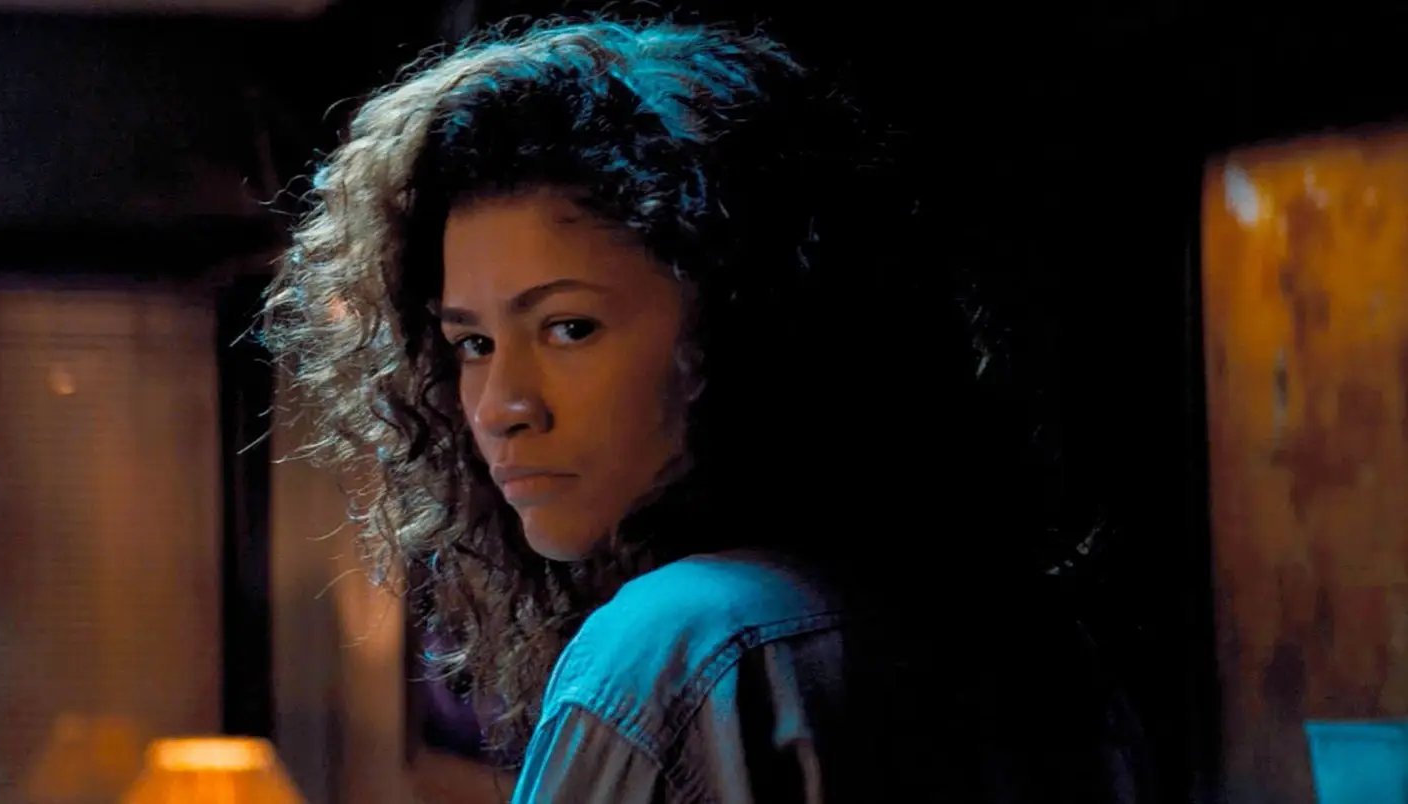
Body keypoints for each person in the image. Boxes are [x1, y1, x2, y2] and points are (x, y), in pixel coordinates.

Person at [263, 15, 1146, 803]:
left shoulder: (679, 642)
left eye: (570, 328)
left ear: (743, 324)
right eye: (473, 344)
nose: (501, 407)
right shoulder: (1028, 636)